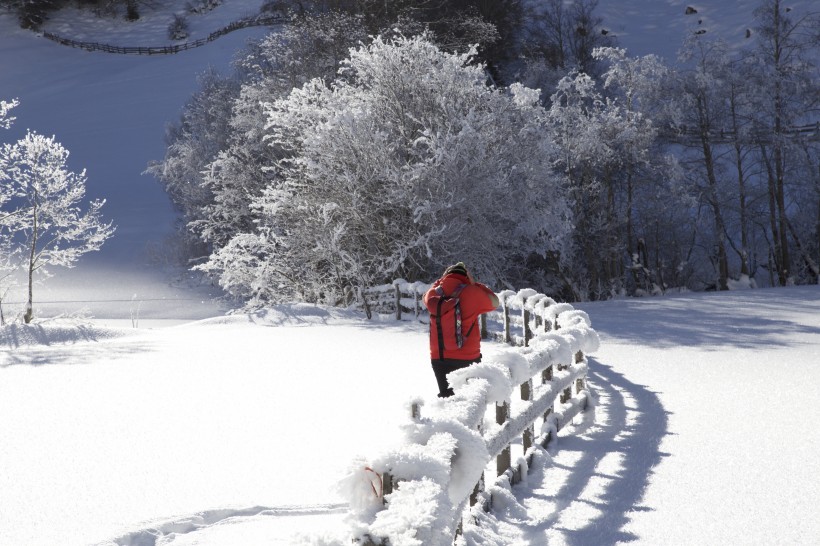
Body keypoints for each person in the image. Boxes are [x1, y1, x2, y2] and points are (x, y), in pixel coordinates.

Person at [423, 262, 499, 397]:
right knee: (471, 401)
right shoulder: (472, 292)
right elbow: (494, 302)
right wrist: (475, 284)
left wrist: (440, 282)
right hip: (468, 357)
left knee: (447, 399)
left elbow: (425, 298)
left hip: (439, 358)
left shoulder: (433, 293)